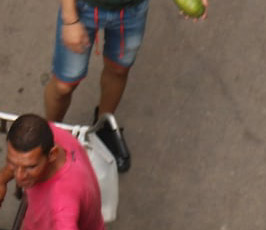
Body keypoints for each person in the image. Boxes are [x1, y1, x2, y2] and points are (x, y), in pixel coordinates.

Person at [45, 0, 207, 172]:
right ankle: (48, 136)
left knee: (118, 70)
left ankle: (103, 127)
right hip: (83, 8)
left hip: (132, 10)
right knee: (64, 85)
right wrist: (70, 19)